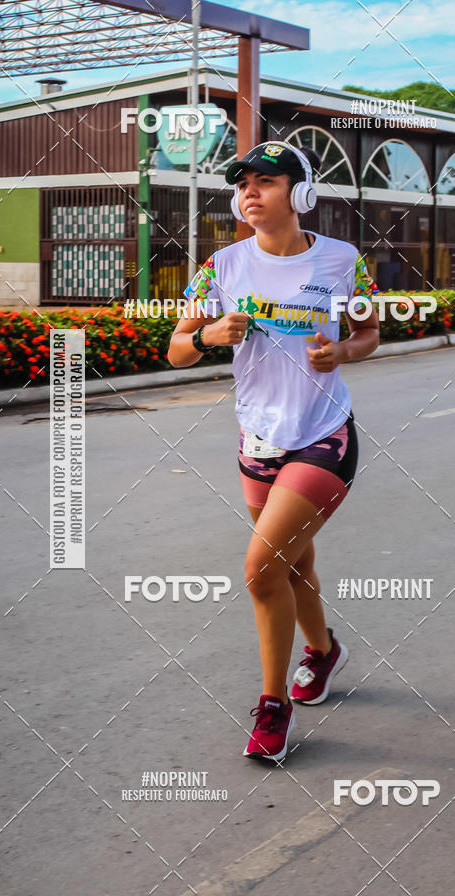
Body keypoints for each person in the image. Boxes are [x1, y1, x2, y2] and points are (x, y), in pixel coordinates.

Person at [167, 141, 380, 762]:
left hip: (323, 435)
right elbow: (177, 348)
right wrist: (206, 334)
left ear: (300, 192)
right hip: (256, 442)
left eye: (266, 181)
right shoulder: (222, 267)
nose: (249, 193)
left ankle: (272, 707)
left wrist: (339, 352)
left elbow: (368, 333)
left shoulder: (342, 262)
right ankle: (323, 651)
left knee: (262, 570)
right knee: (294, 569)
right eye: (243, 185)